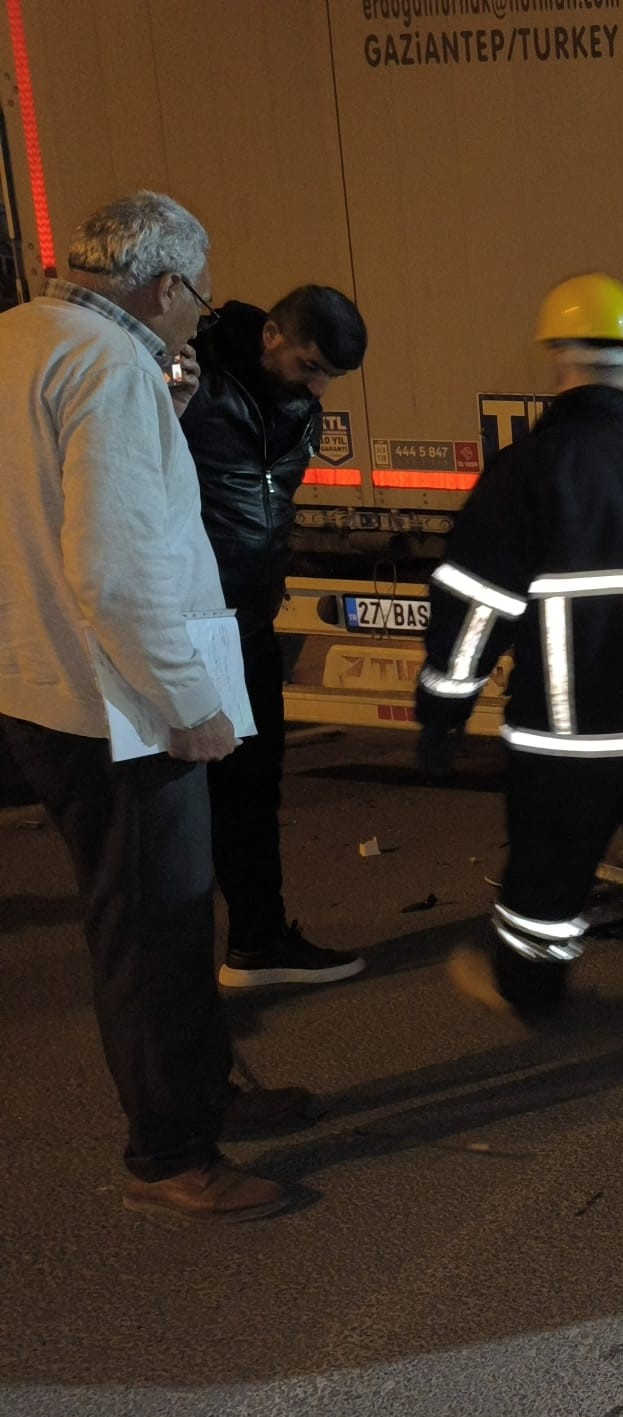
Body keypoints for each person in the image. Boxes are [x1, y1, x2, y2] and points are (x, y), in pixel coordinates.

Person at [0, 191, 308, 1220]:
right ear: (166, 285)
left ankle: (201, 1091)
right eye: (199, 301)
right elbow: (119, 566)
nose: (197, 321)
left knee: (141, 913)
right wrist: (189, 701)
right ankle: (172, 1152)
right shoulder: (108, 363)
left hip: (37, 684)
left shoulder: (22, 338)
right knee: (156, 928)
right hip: (118, 707)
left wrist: (160, 423)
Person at [416, 273, 623, 1107]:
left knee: (548, 877)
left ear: (559, 360)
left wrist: (442, 714)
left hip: (568, 738)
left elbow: (473, 611)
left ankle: (528, 992)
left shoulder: (526, 472)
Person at [180, 284, 369, 987]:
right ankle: (183, 969)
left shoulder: (291, 404)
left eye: (330, 377)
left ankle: (256, 943)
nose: (319, 385)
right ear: (270, 338)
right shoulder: (191, 382)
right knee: (180, 798)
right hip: (193, 619)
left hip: (246, 619)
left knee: (252, 790)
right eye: (311, 365)